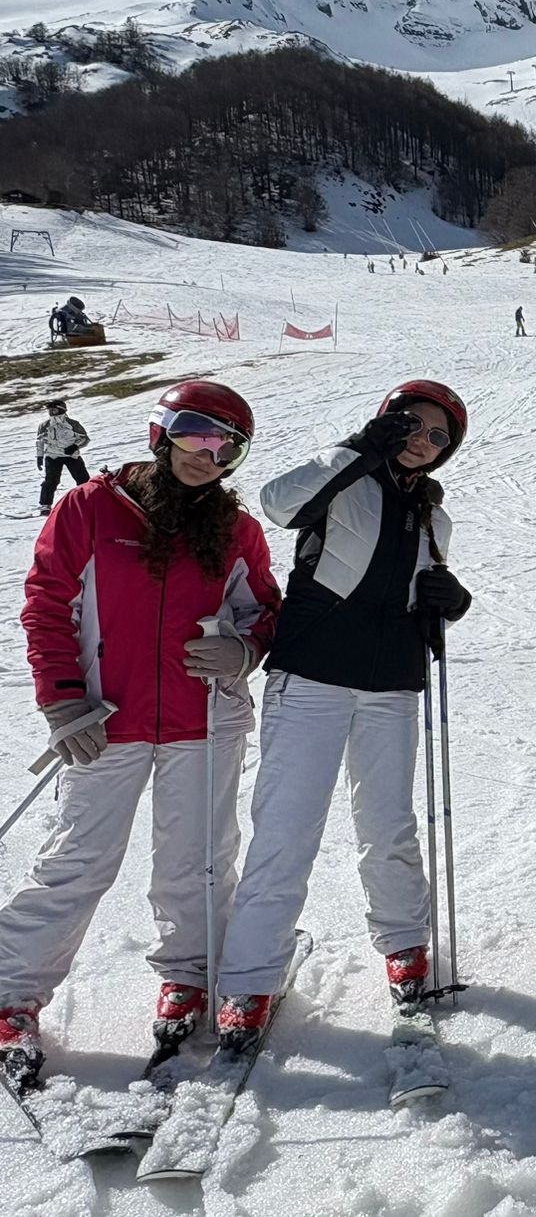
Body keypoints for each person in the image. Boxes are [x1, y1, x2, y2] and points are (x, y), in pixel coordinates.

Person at [0, 383, 279, 1082]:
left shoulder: (235, 529)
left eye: (226, 446)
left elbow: (267, 609)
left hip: (203, 722)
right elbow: (45, 603)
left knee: (198, 860)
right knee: (78, 859)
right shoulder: (91, 508)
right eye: (193, 434)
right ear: (162, 433)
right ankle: (10, 993)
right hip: (106, 721)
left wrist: (244, 651)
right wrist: (63, 702)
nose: (206, 455)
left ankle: (188, 973)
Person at [214, 381, 473, 1049]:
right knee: (286, 829)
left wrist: (446, 602)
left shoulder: (434, 518)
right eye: (413, 424)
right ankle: (249, 977)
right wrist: (359, 447)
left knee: (388, 825)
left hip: (391, 686)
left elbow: (420, 598)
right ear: (389, 420)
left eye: (438, 436)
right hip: (313, 676)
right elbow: (276, 503)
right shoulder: (343, 472)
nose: (423, 440)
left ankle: (405, 944)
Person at [34, 398, 90, 515]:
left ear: (61, 410)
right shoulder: (44, 425)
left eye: (54, 410)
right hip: (52, 456)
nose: (51, 413)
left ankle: (88, 500)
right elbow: (40, 442)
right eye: (50, 410)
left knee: (82, 479)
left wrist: (75, 446)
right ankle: (45, 505)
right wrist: (39, 456)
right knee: (51, 481)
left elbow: (84, 438)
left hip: (71, 456)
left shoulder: (73, 424)